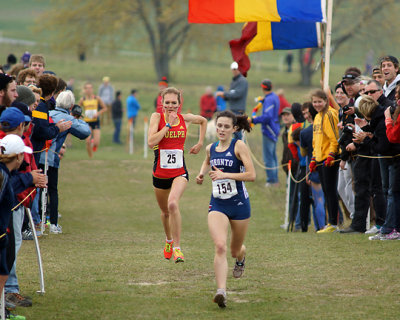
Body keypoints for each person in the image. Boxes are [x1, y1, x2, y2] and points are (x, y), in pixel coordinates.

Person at [196, 110, 255, 308]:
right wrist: (201, 173)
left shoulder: (239, 146)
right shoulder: (210, 148)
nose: (221, 129)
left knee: (234, 249)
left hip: (239, 204)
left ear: (234, 129)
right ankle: (221, 291)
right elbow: (207, 161)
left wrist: (225, 176)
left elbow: (251, 174)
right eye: (219, 125)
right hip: (218, 203)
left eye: (226, 127)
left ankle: (241, 257)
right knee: (220, 246)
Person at [148, 87, 207, 263]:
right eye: (167, 102)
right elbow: (151, 142)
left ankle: (178, 249)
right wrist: (167, 125)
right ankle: (168, 240)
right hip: (160, 173)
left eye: (174, 103)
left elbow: (203, 121)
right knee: (165, 212)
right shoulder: (156, 117)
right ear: (162, 103)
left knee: (173, 204)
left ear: (179, 104)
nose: (171, 106)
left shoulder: (184, 119)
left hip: (179, 172)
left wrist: (200, 143)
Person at [39, 90, 91, 234]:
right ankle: (53, 224)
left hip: (36, 156)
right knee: (52, 190)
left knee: (36, 189)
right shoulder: (67, 118)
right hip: (51, 158)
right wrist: (77, 118)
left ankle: (37, 222)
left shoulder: (47, 112)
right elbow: (85, 132)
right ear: (71, 105)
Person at [309, 89, 340, 233]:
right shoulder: (317, 117)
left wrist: (332, 154)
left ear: (326, 101)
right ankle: (330, 222)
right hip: (320, 158)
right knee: (326, 191)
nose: (317, 104)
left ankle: (334, 222)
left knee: (331, 190)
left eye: (319, 101)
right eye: (314, 102)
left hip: (330, 158)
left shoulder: (329, 114)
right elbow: (316, 140)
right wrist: (314, 158)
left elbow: (334, 137)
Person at [249, 79, 280, 186]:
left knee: (268, 157)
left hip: (269, 130)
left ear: (263, 88)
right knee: (273, 156)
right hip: (275, 128)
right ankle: (274, 179)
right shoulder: (274, 97)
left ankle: (271, 180)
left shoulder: (269, 99)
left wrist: (253, 120)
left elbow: (267, 116)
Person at [216, 62, 248, 139]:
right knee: (233, 133)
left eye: (236, 69)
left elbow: (237, 94)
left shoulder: (242, 81)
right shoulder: (234, 81)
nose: (234, 71)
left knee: (238, 133)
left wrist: (224, 94)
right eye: (233, 69)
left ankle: (240, 149)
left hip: (238, 111)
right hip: (233, 110)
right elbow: (231, 94)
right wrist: (225, 96)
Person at [78, 82, 107, 158]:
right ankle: (90, 157)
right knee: (87, 141)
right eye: (87, 88)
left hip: (95, 121)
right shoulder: (83, 99)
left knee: (96, 142)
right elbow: (77, 109)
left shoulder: (96, 98)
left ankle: (94, 144)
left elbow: (105, 108)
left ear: (92, 89)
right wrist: (81, 115)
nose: (88, 90)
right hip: (87, 122)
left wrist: (98, 113)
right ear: (84, 90)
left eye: (90, 88)